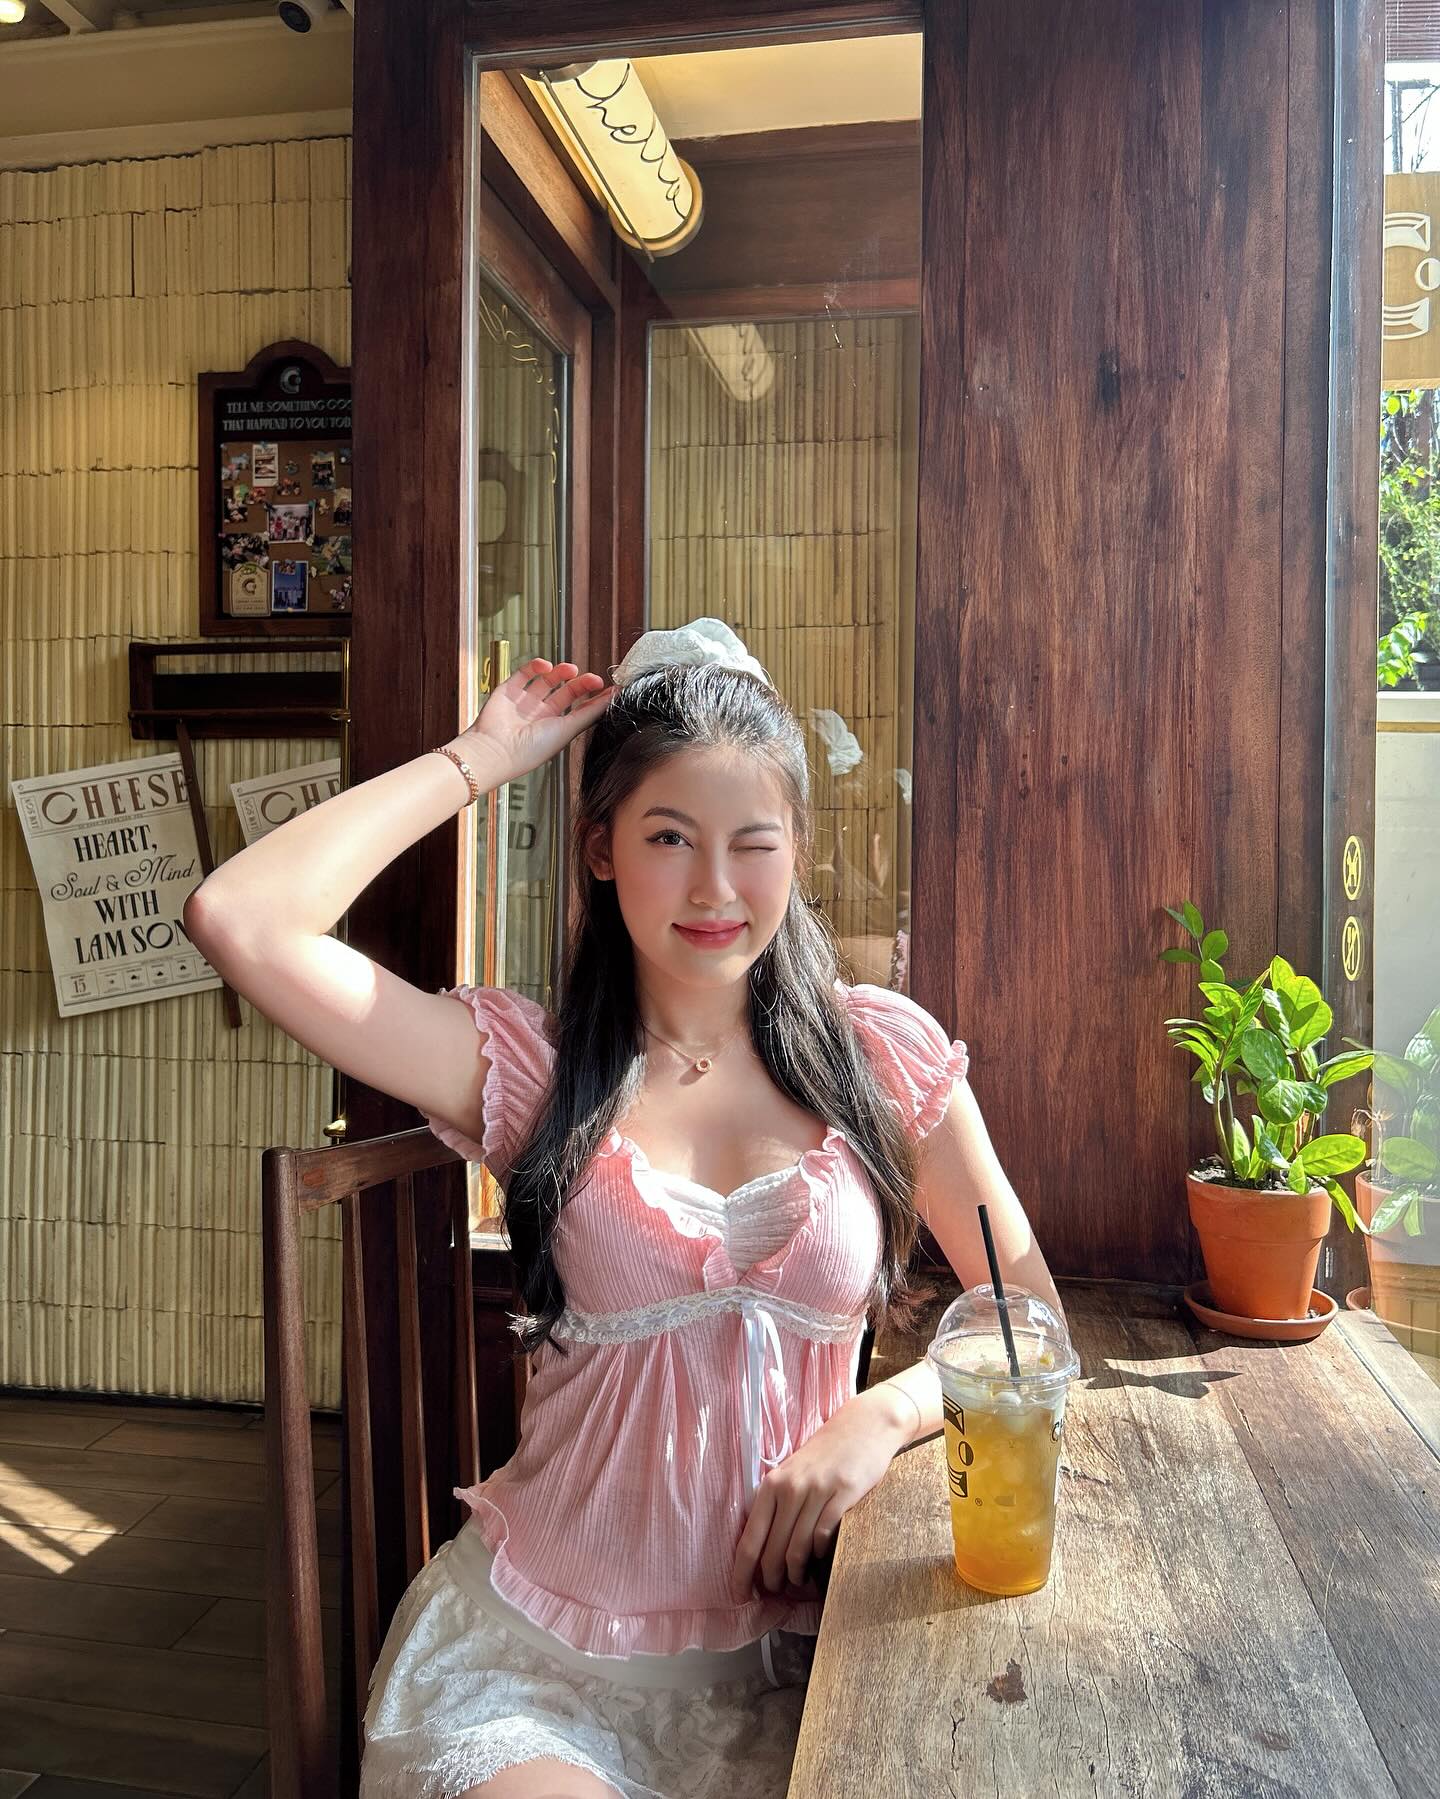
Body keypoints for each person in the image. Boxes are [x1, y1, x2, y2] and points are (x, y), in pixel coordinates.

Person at [182, 618, 1063, 1799]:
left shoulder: (879, 1060)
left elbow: (1030, 1320)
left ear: (797, 850)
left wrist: (884, 1413)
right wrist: (482, 758)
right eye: (668, 837)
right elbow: (241, 918)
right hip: (540, 1675)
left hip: (812, 1667)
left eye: (753, 842)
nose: (715, 887)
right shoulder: (534, 1071)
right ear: (601, 848)